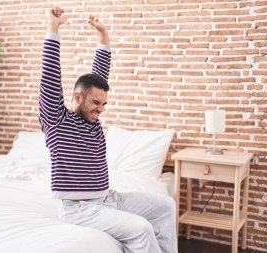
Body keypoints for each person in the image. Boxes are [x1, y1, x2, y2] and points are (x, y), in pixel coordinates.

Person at [39, 7, 178, 253]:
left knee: (166, 206)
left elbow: (99, 76)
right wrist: (54, 27)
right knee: (142, 228)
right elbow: (50, 76)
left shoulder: (91, 120)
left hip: (109, 199)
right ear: (78, 97)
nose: (101, 109)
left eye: (104, 104)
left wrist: (103, 35)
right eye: (95, 103)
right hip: (80, 209)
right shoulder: (56, 120)